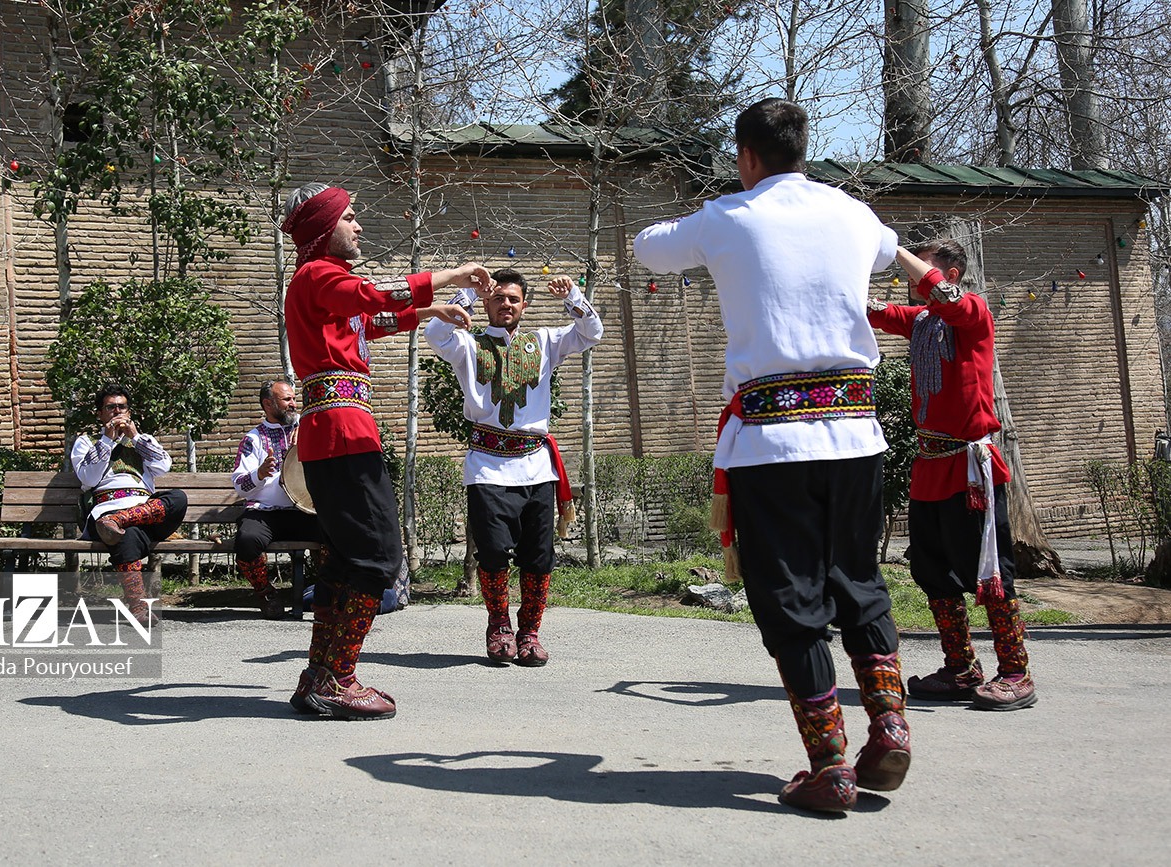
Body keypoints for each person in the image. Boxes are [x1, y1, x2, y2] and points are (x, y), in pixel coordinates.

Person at [633, 98, 909, 813]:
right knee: (858, 579)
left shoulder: (731, 215)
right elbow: (890, 248)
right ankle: (889, 722)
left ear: (747, 155)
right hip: (856, 433)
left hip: (773, 442)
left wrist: (709, 213)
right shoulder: (851, 213)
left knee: (791, 598)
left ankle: (830, 763)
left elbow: (647, 246)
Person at [280, 182, 486, 720]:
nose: (358, 225)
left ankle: (319, 676)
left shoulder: (321, 284)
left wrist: (430, 311)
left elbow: (369, 320)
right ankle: (338, 677)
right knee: (378, 559)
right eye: (349, 217)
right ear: (323, 227)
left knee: (345, 559)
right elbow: (373, 297)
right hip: (342, 432)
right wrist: (452, 274)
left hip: (336, 432)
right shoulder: (318, 274)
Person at [869, 239, 1037, 711]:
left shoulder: (973, 312)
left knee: (990, 571)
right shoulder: (922, 320)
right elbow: (873, 311)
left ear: (953, 273)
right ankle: (961, 668)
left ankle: (1016, 672)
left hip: (969, 468)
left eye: (923, 267)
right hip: (930, 465)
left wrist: (894, 248)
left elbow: (944, 296)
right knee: (931, 570)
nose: (911, 276)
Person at [425, 269, 603, 666]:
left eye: (513, 299)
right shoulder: (468, 344)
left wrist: (572, 296)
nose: (505, 304)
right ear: (488, 303)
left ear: (524, 305)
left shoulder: (545, 342)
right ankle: (499, 627)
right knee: (492, 552)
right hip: (486, 467)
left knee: (538, 556)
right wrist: (468, 294)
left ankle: (530, 633)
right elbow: (434, 333)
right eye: (498, 298)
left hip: (536, 467)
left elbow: (592, 332)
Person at [71, 384, 188, 624]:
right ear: (100, 414)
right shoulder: (87, 442)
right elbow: (88, 479)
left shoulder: (143, 441)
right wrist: (107, 440)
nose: (117, 412)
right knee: (128, 535)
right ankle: (138, 606)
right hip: (107, 508)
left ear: (129, 412)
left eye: (121, 407)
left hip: (144, 512)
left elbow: (163, 466)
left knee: (178, 498)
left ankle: (116, 521)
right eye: (110, 407)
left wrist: (136, 437)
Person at [229, 379, 323, 620]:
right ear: (268, 404)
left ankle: (328, 593)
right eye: (287, 399)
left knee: (336, 533)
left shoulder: (309, 426)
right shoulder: (253, 439)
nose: (293, 404)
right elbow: (240, 485)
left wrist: (308, 430)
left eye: (294, 398)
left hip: (304, 511)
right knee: (247, 540)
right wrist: (259, 474)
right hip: (265, 513)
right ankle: (265, 592)